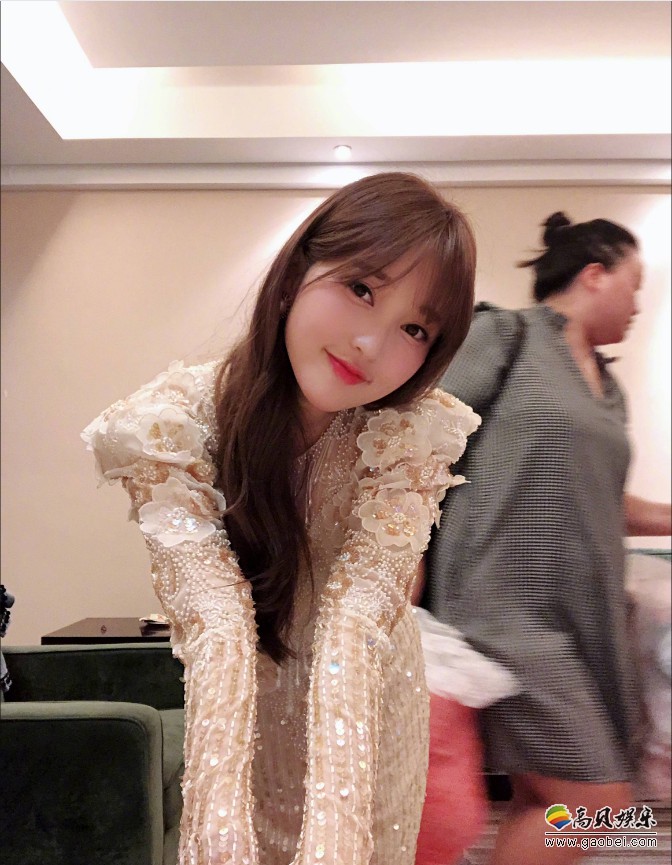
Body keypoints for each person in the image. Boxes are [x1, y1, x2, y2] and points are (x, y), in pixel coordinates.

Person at [82, 172, 484, 865]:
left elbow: (360, 614)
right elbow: (215, 618)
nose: (371, 343)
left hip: (370, 711)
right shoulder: (170, 424)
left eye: (415, 328)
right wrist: (216, 822)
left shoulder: (411, 436)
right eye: (362, 288)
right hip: (244, 707)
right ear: (298, 270)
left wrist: (337, 832)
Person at [422, 211, 672, 865]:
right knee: (603, 805)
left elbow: (603, 498)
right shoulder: (506, 336)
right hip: (502, 611)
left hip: (583, 619)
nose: (639, 305)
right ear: (595, 274)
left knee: (546, 802)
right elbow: (418, 444)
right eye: (635, 285)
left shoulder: (609, 389)